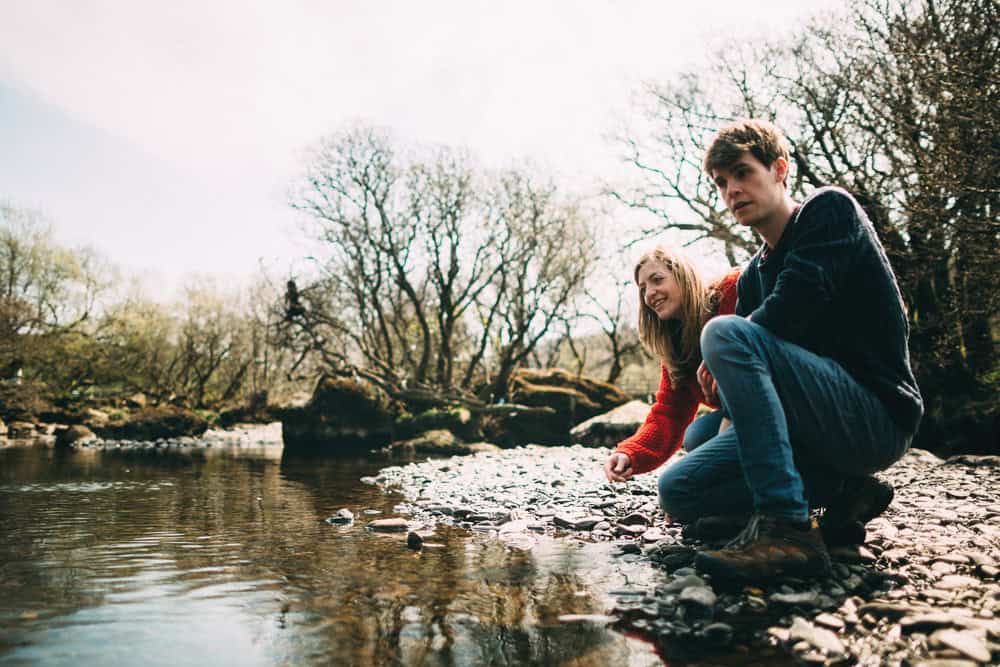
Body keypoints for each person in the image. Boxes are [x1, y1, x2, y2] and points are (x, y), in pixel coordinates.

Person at [669, 118, 923, 582]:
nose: (732, 191)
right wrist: (723, 382)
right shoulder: (752, 276)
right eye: (722, 183)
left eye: (743, 173)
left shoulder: (829, 212)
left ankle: (786, 528)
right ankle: (845, 494)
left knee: (723, 333)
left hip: (873, 416)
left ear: (780, 169)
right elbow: (754, 382)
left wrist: (725, 347)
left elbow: (794, 306)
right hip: (812, 428)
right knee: (681, 481)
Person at [603, 246, 740, 504]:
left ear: (683, 276)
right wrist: (630, 453)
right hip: (740, 421)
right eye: (643, 288)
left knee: (674, 490)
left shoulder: (731, 291)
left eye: (657, 280)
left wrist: (733, 413)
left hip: (785, 410)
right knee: (696, 435)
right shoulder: (677, 347)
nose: (649, 294)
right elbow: (669, 413)